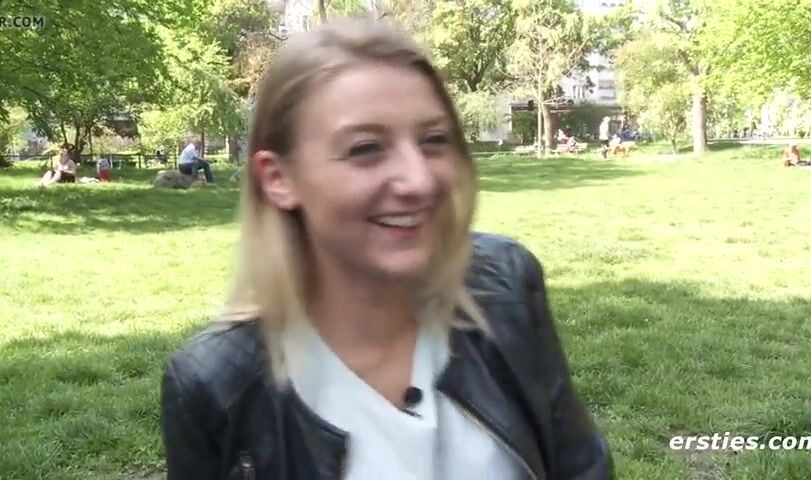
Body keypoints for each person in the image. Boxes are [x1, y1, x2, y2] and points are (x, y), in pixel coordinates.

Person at [160, 19, 612, 480]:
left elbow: (581, 467)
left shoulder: (506, 286)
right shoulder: (216, 386)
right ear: (278, 179)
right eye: (366, 149)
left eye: (434, 141)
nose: (419, 181)